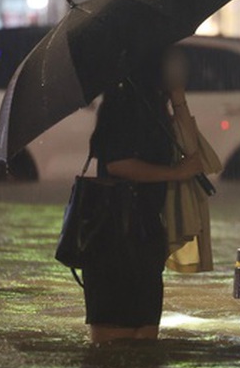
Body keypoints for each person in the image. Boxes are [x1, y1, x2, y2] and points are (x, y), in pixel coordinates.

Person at [83, 47, 205, 344]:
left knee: (145, 339)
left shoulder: (156, 106)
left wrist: (178, 98)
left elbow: (196, 157)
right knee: (112, 343)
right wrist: (175, 173)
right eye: (172, 61)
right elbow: (118, 164)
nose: (181, 66)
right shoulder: (122, 104)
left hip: (146, 235)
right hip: (112, 237)